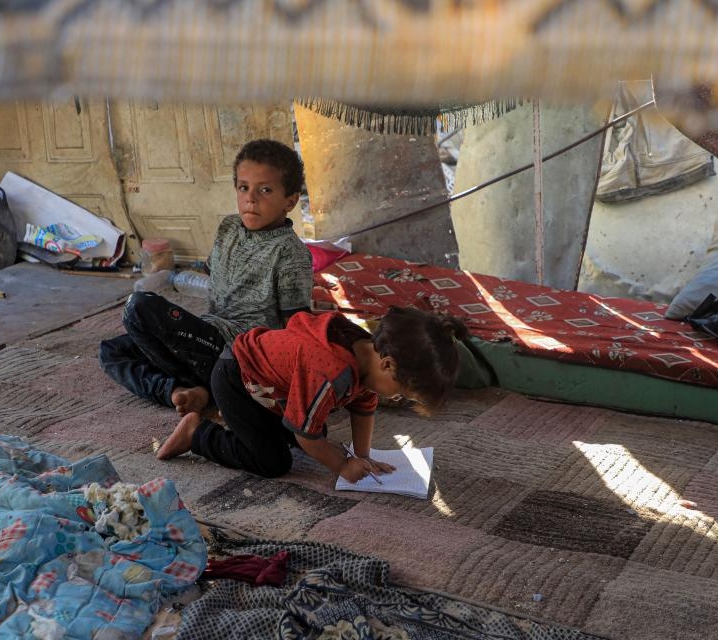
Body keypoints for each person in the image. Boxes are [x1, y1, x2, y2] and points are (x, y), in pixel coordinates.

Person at [99, 139, 314, 415]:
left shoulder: (291, 252)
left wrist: (293, 382)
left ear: (290, 201)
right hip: (206, 334)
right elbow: (212, 273)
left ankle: (212, 387)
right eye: (243, 188)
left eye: (266, 190)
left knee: (139, 307)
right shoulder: (229, 228)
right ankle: (180, 391)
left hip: (239, 352)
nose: (251, 198)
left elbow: (295, 324)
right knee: (112, 351)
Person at [155, 306, 469, 483]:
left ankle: (241, 420)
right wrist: (344, 467)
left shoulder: (364, 353)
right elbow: (306, 436)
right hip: (238, 378)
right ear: (388, 364)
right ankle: (198, 433)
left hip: (273, 388)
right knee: (274, 460)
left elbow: (364, 405)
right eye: (402, 393)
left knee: (317, 431)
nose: (398, 399)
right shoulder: (332, 373)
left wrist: (363, 455)